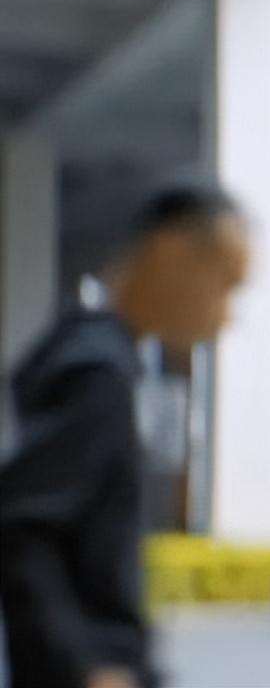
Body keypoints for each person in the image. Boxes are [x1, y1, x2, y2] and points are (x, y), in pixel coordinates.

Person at [0, 186, 249, 688]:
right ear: (169, 255)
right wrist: (88, 668)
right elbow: (23, 527)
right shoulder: (96, 372)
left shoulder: (91, 353)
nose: (227, 314)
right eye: (224, 285)